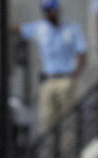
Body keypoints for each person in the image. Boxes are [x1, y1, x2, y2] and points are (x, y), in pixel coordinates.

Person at [19, 0, 87, 134]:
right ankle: (49, 155)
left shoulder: (71, 28)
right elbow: (18, 28)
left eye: (51, 10)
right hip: (48, 80)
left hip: (66, 78)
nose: (49, 14)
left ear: (58, 10)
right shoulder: (40, 28)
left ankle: (69, 153)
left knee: (68, 121)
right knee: (46, 122)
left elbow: (82, 52)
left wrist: (75, 74)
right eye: (46, 11)